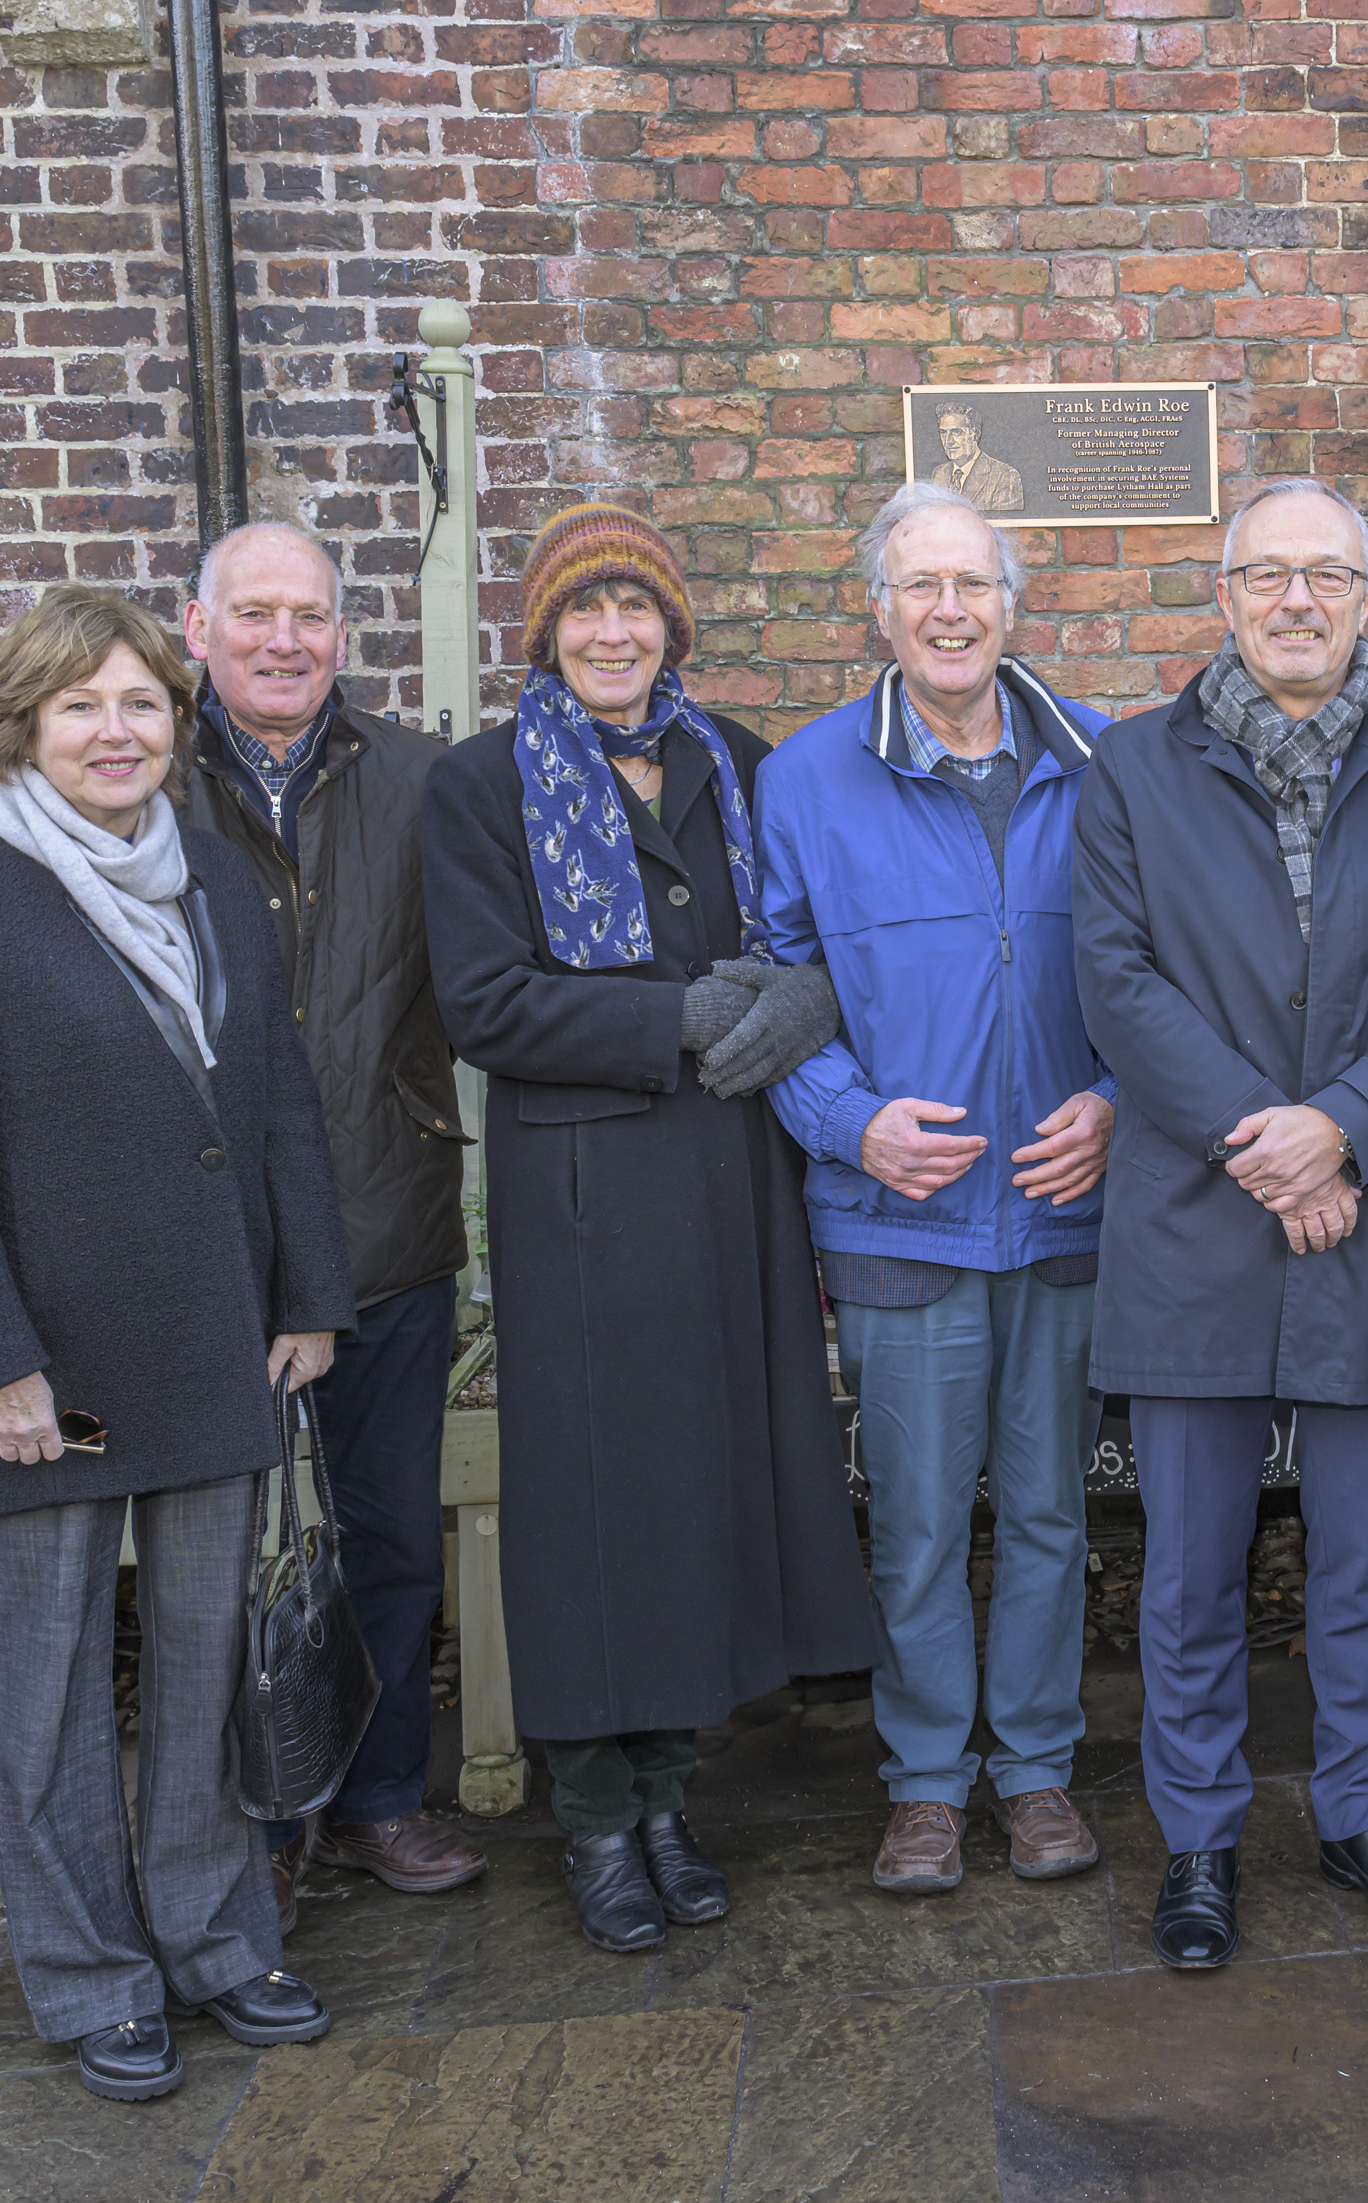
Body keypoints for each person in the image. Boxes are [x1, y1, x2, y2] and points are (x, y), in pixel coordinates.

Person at [0, 584, 356, 2103]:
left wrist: (309, 1294)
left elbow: (275, 1097)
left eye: (141, 701)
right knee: (58, 1680)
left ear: (176, 717)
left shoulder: (210, 873)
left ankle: (211, 1938)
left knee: (207, 1661)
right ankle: (88, 1975)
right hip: (47, 1370)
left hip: (215, 1335)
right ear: (27, 722)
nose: (115, 729)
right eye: (81, 703)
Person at [1073, 476, 1368, 1970]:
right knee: (1188, 1564)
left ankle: (1361, 1815)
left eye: (1328, 574)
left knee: (1364, 1564)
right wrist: (1275, 1142)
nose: (1298, 600)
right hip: (1198, 1214)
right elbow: (1119, 984)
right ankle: (1195, 1837)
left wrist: (1350, 1129)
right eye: (1268, 575)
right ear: (1225, 595)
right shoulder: (1132, 769)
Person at [420, 503, 872, 1955]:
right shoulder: (481, 787)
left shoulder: (735, 763)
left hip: (735, 1177)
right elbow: (486, 1000)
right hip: (584, 1199)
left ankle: (673, 1787)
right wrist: (676, 1014)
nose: (613, 632)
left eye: (637, 607)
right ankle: (598, 1811)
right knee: (596, 1507)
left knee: (701, 1493)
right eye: (582, 609)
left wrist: (805, 996)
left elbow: (807, 932)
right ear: (542, 633)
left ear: (674, 626)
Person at [756, 481, 1116, 1896]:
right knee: (913, 1516)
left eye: (973, 584)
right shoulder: (805, 777)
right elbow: (775, 1000)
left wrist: (1121, 1106)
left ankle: (1031, 1772)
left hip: (1064, 1206)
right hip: (901, 1216)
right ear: (881, 609)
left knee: (1045, 1509)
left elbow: (1163, 975)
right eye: (921, 587)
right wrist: (853, 1126)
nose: (950, 611)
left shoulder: (1104, 763)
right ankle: (921, 1781)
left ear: (1013, 606)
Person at [178, 521, 484, 1931]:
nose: (283, 639)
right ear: (198, 629)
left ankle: (378, 1800)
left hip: (386, 1210)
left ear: (342, 637)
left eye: (308, 614)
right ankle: (258, 1814)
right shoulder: (143, 781)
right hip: (205, 1228)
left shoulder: (422, 781)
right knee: (221, 1545)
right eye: (255, 614)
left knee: (383, 1531)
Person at [932, 405, 1025, 513]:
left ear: (975, 433)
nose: (948, 441)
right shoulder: (939, 474)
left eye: (956, 432)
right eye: (943, 432)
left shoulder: (1004, 476)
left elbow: (1006, 524)